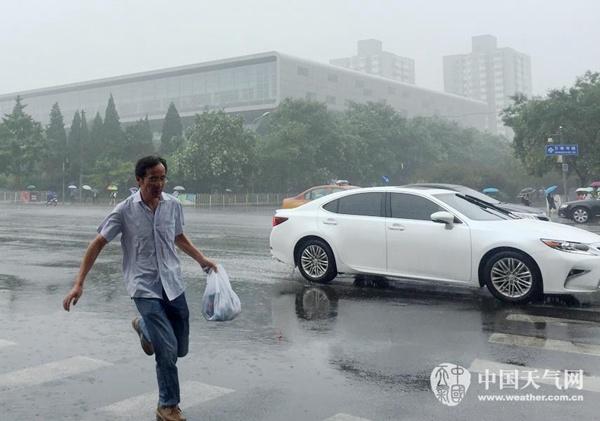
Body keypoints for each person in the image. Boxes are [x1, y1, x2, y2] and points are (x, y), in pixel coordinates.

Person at [62, 155, 217, 421]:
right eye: (152, 179)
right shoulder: (124, 210)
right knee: (167, 349)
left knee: (180, 349)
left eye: (162, 178)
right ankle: (167, 405)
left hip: (173, 282)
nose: (158, 183)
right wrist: (79, 283)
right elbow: (98, 243)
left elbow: (178, 236)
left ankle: (143, 327)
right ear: (139, 180)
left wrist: (201, 259)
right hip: (143, 285)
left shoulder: (173, 205)